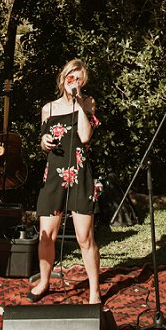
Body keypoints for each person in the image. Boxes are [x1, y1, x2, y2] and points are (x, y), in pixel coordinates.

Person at [31, 58, 101, 304]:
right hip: (54, 173)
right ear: (63, 79)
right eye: (71, 78)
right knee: (46, 234)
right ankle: (44, 281)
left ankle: (94, 290)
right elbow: (42, 141)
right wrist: (44, 141)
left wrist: (80, 103)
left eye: (79, 79)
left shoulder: (88, 103)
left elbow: (84, 136)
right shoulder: (48, 108)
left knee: (84, 236)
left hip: (80, 173)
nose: (74, 83)